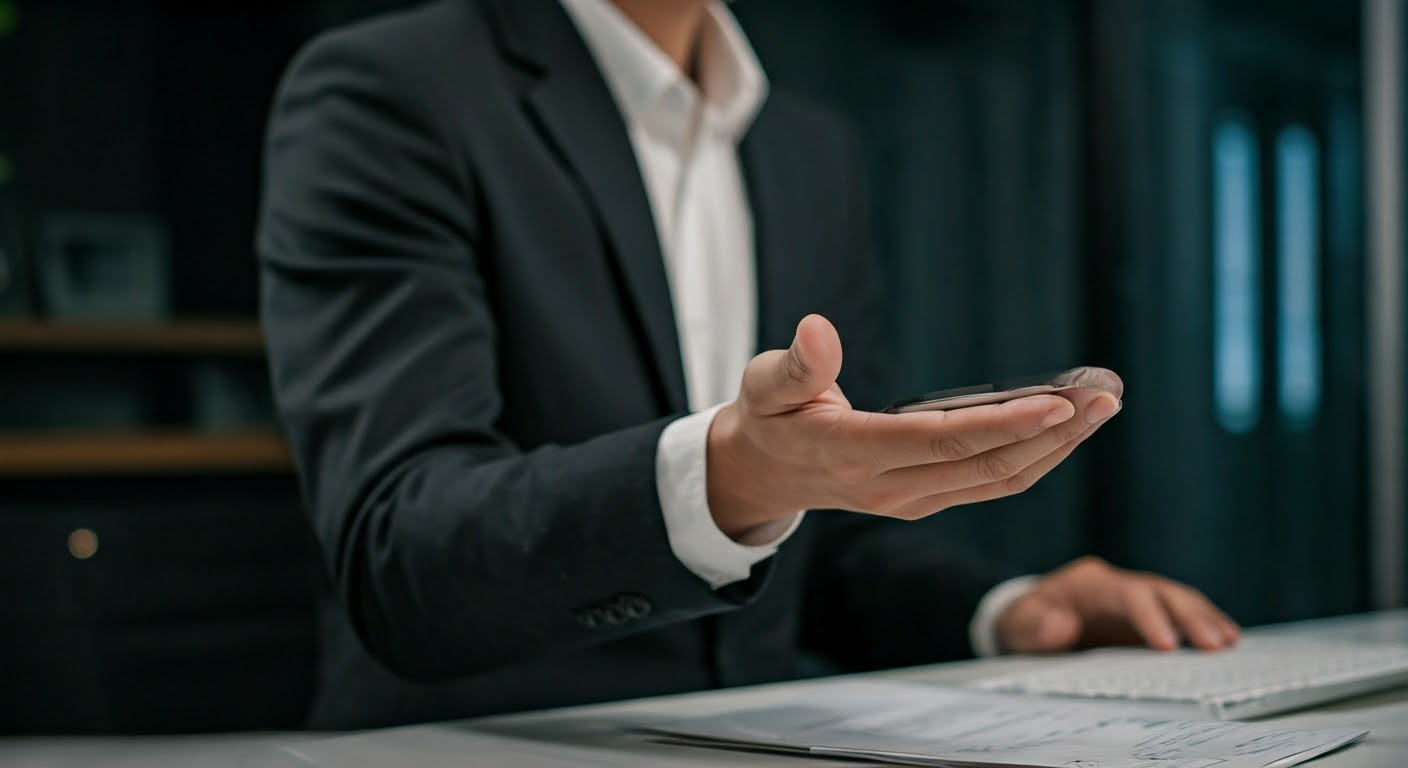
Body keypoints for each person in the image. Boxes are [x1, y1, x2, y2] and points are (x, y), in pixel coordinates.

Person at [257, 0, 1239, 730]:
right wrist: (725, 475)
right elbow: (400, 556)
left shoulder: (808, 150)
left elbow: (823, 550)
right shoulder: (392, 91)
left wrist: (1010, 612)